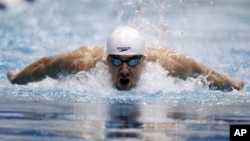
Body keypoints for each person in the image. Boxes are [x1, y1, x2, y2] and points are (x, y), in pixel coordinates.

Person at [7, 26, 244, 91]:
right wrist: (17, 78)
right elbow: (45, 65)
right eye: (116, 60)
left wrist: (232, 84)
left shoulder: (169, 64)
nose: (123, 70)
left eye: (132, 61)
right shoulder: (85, 61)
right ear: (106, 59)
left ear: (144, 60)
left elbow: (204, 73)